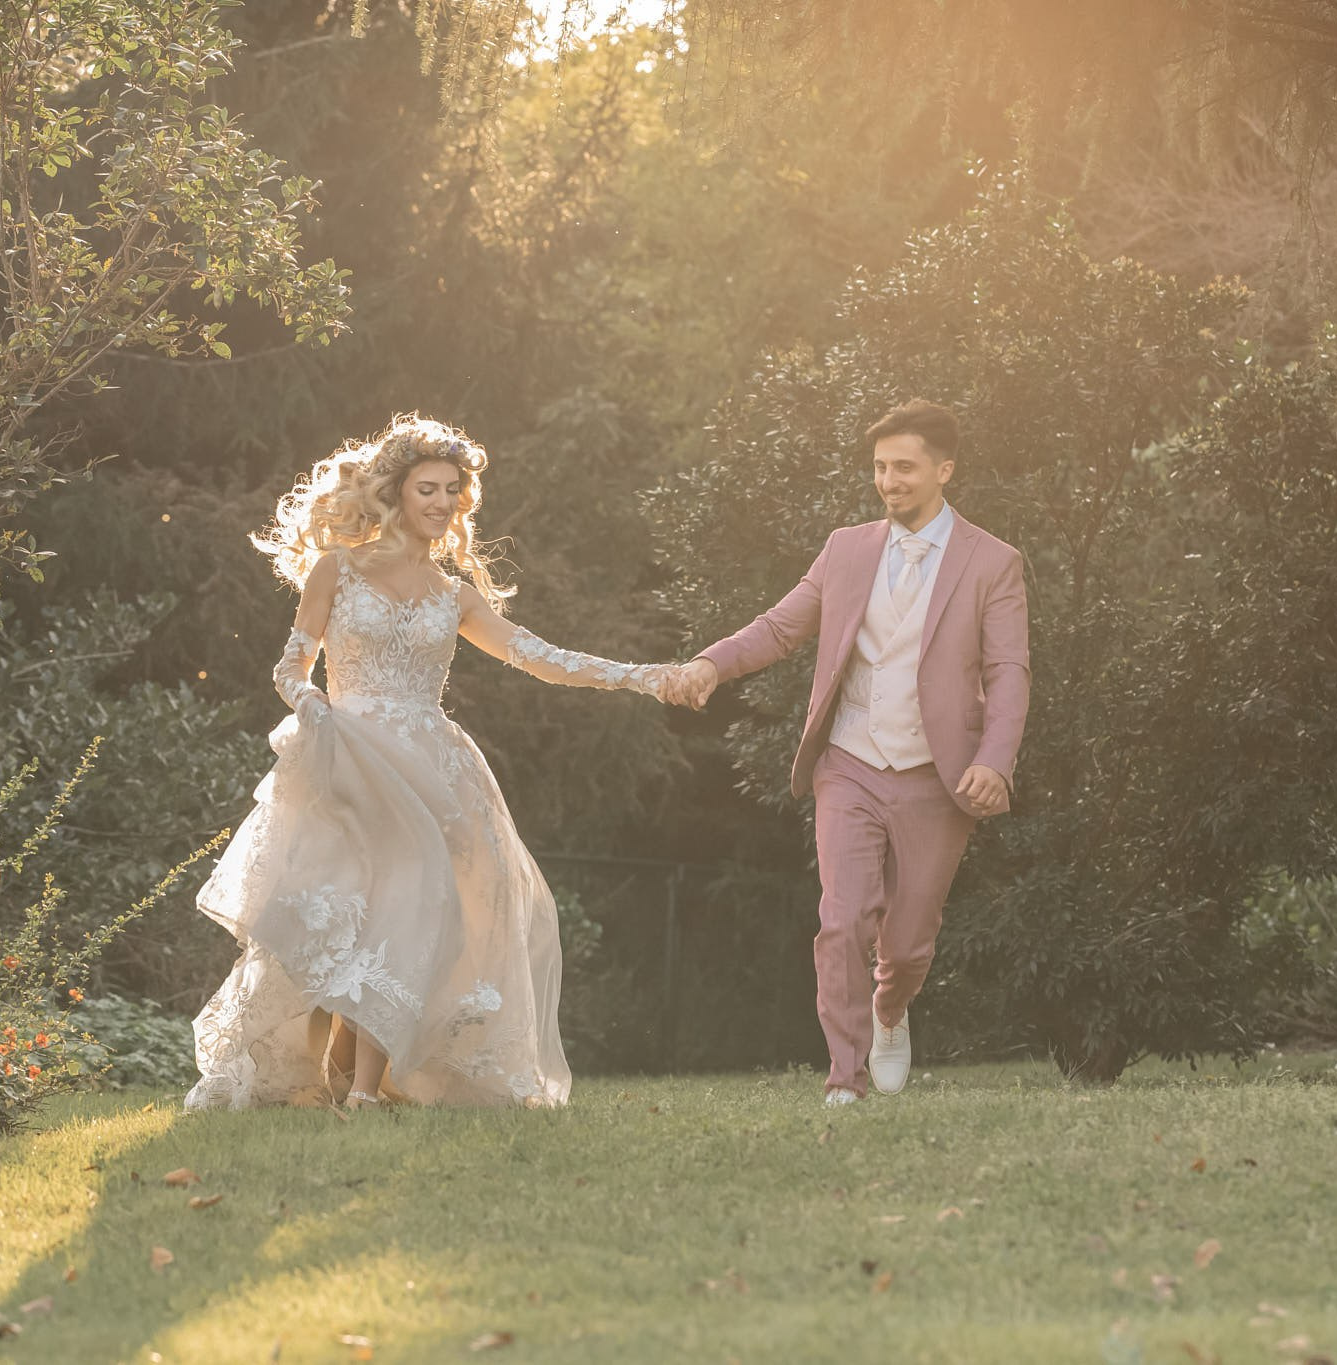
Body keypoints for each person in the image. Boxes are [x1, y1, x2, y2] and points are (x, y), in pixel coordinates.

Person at [185, 415, 674, 1112]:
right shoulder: (338, 570)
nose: (442, 502)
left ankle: (362, 1089)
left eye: (452, 490)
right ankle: (329, 1067)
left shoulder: (455, 597)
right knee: (336, 915)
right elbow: (289, 663)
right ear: (396, 492)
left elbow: (538, 655)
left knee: (412, 906)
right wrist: (310, 701)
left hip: (430, 769)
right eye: (428, 488)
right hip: (346, 757)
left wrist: (638, 676)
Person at [667, 399, 1030, 1106]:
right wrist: (712, 664)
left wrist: (996, 757)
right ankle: (845, 1078)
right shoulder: (847, 549)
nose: (889, 481)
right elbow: (779, 628)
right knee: (842, 917)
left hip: (938, 772)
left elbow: (1008, 671)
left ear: (943, 469)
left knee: (909, 942)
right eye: (879, 468)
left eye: (904, 467)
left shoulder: (994, 563)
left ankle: (890, 1011)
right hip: (849, 761)